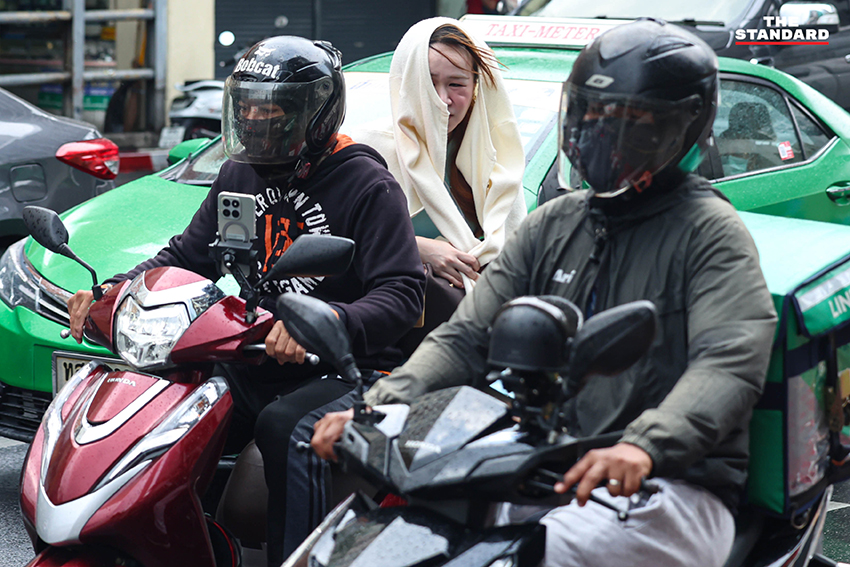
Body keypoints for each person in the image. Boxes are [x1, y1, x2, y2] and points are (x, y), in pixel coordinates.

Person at [313, 19, 777, 567]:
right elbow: (465, 337)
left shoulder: (710, 233)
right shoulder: (555, 223)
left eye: (632, 124)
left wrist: (645, 445)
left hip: (668, 486)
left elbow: (727, 362)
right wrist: (377, 407)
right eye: (592, 116)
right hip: (545, 461)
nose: (603, 136)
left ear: (682, 130)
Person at [66, 36, 425, 567]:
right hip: (258, 354)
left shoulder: (367, 184)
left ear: (317, 112)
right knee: (167, 401)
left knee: (286, 429)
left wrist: (327, 320)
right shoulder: (240, 173)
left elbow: (403, 294)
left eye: (273, 108)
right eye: (248, 106)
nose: (256, 119)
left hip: (348, 367)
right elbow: (188, 255)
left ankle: (297, 558)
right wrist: (114, 292)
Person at [353, 17, 527, 292]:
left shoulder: (496, 159)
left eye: (456, 84)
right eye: (428, 83)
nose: (442, 99)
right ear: (407, 83)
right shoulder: (363, 153)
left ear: (475, 89)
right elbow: (334, 236)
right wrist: (417, 248)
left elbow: (518, 259)